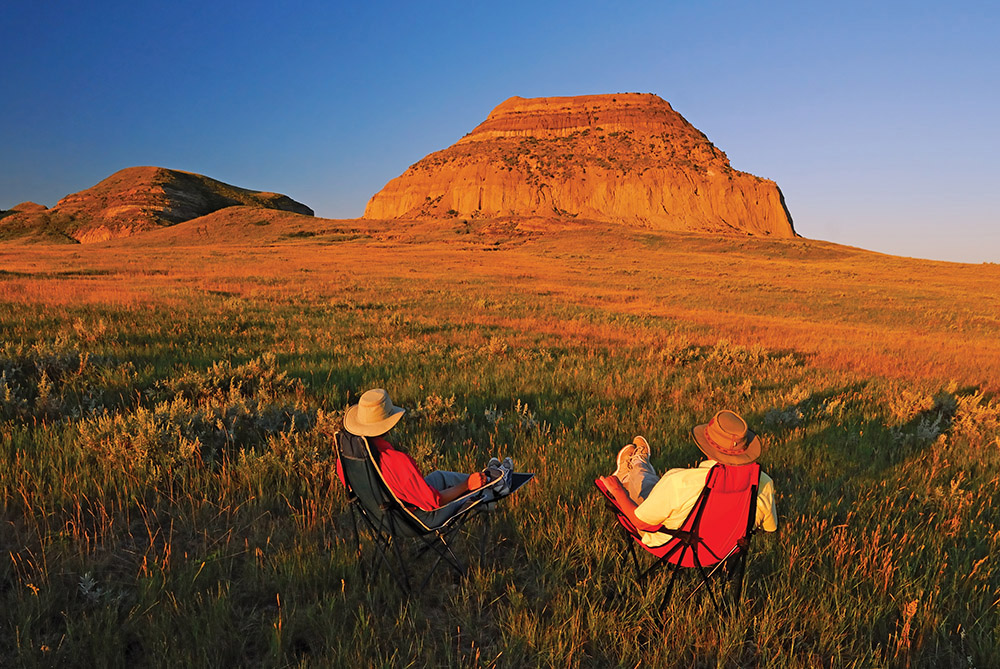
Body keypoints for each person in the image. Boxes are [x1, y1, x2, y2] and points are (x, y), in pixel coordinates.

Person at [597, 409, 777, 547]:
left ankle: (632, 469)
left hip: (674, 545)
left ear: (706, 446)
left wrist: (617, 491)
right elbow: (769, 527)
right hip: (724, 549)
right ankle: (639, 464)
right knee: (658, 487)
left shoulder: (679, 481)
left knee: (647, 487)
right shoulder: (762, 482)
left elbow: (639, 522)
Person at [338, 388, 513, 511]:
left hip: (381, 514)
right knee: (467, 490)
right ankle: (493, 486)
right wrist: (467, 485)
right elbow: (434, 502)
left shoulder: (347, 456)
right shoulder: (395, 461)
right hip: (415, 518)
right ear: (388, 424)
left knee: (440, 476)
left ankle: (491, 480)